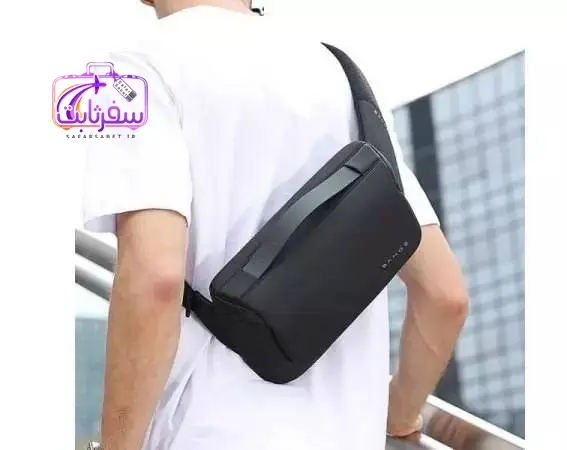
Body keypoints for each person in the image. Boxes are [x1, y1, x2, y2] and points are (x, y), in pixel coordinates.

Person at [82, 1, 469, 449]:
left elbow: (154, 279)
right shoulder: (342, 79)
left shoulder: (127, 75)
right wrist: (400, 415)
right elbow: (444, 295)